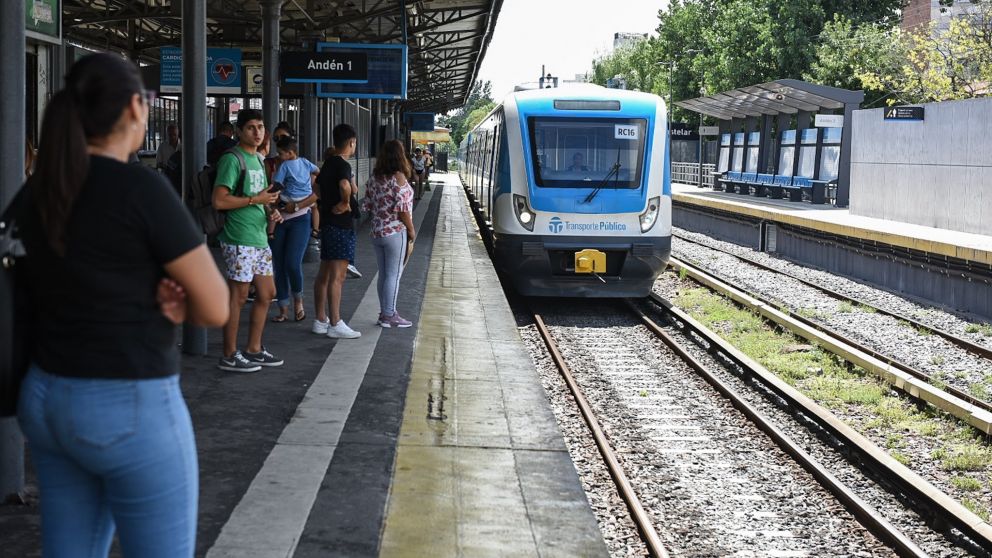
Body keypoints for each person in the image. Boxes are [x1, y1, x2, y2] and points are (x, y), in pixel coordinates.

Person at [15, 52, 229, 558]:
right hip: (127, 400)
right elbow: (215, 308)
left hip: (45, 397)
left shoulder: (35, 193)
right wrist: (176, 304)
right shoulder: (140, 188)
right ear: (135, 107)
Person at [212, 109, 285, 372]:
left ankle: (254, 348)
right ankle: (229, 354)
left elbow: (261, 196)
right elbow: (219, 200)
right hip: (238, 236)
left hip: (259, 236)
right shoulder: (232, 159)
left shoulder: (258, 160)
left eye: (261, 127)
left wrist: (270, 209)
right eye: (251, 127)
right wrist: (256, 200)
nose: (257, 132)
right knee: (239, 295)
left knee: (267, 293)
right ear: (239, 131)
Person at [312, 124, 361, 339]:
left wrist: (325, 202)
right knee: (338, 276)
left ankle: (320, 319)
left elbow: (315, 187)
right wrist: (344, 202)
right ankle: (335, 322)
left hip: (328, 223)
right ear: (351, 142)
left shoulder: (328, 163)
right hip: (340, 224)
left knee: (324, 274)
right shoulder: (342, 164)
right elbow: (345, 186)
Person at [363, 140, 416, 328]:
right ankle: (389, 314)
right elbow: (403, 210)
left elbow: (368, 205)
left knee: (384, 274)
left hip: (377, 231)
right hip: (395, 232)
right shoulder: (399, 177)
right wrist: (411, 230)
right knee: (394, 274)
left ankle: (384, 312)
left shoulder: (374, 178)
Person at [268, 136, 319, 323]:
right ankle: (284, 307)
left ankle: (297, 300)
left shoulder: (285, 166)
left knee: (290, 263)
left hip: (298, 218)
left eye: (281, 153)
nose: (279, 156)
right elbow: (317, 171)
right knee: (280, 264)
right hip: (284, 218)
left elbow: (275, 186)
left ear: (290, 153)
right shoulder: (305, 163)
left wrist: (263, 195)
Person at [322, 144, 363, 280]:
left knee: (325, 270)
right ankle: (349, 263)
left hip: (327, 217)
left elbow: (315, 187)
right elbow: (351, 188)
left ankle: (341, 265)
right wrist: (345, 202)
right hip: (343, 217)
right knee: (336, 279)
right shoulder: (344, 167)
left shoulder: (325, 168)